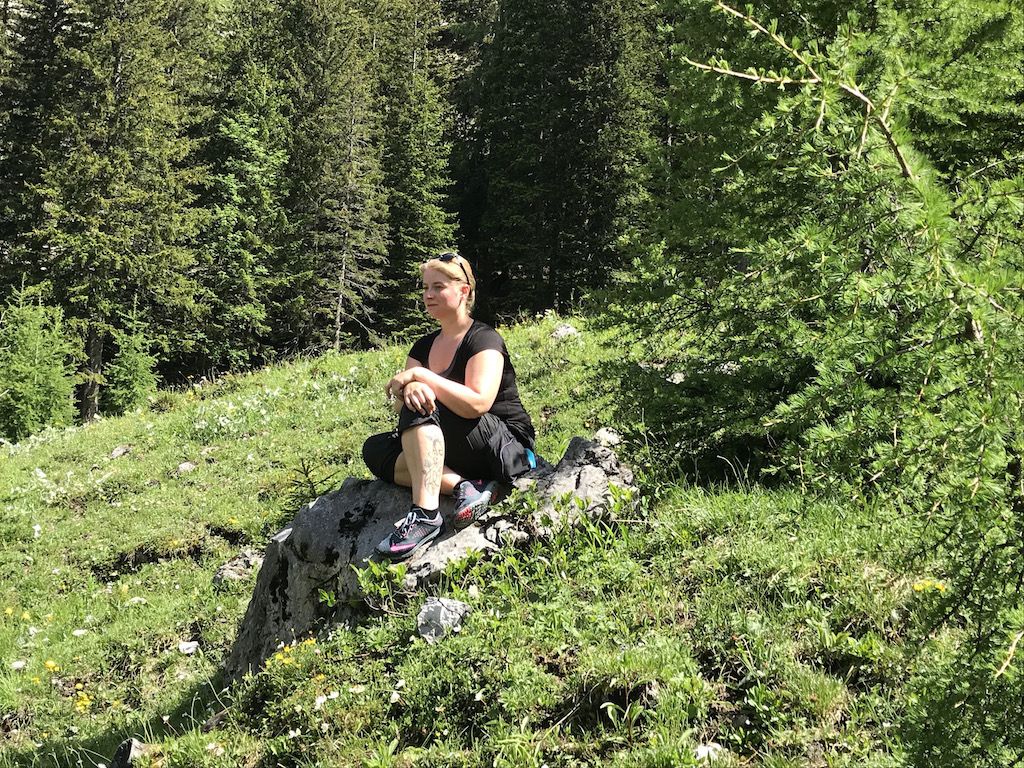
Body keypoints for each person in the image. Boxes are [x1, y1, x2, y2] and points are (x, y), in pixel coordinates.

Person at [362, 252, 537, 560]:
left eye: (438, 287)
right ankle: (465, 487)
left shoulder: (484, 339)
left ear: (463, 291)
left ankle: (426, 515)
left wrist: (422, 378)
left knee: (422, 405)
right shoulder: (422, 347)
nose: (428, 295)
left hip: (504, 447)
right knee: (376, 449)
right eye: (425, 287)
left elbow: (478, 403)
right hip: (454, 446)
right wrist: (411, 388)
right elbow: (405, 412)